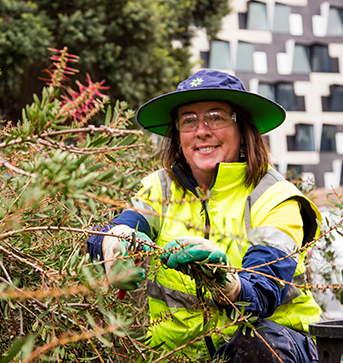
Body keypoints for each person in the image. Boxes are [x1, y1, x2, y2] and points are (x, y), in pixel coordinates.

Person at [87, 69, 322, 362]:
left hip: (278, 351)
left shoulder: (274, 197)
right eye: (188, 120)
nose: (202, 130)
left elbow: (264, 287)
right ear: (178, 135)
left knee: (257, 341)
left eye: (216, 116)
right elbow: (119, 229)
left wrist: (227, 282)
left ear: (243, 129)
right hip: (178, 356)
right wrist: (112, 245)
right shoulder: (160, 189)